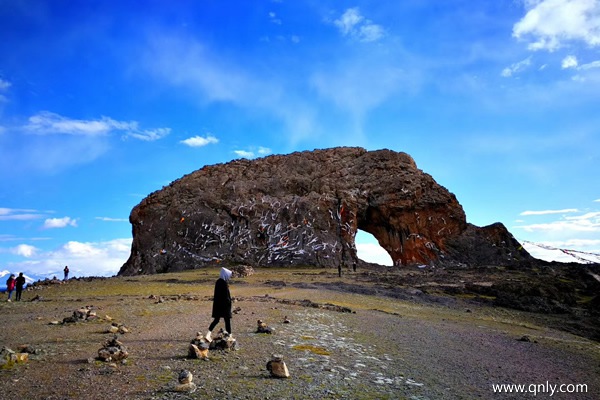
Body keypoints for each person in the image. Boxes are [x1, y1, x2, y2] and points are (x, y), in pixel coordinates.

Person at [205, 267, 233, 341]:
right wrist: (229, 303)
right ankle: (229, 335)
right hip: (224, 306)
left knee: (216, 320)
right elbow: (226, 296)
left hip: (218, 305)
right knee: (227, 320)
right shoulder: (223, 283)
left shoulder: (218, 282)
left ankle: (208, 334)